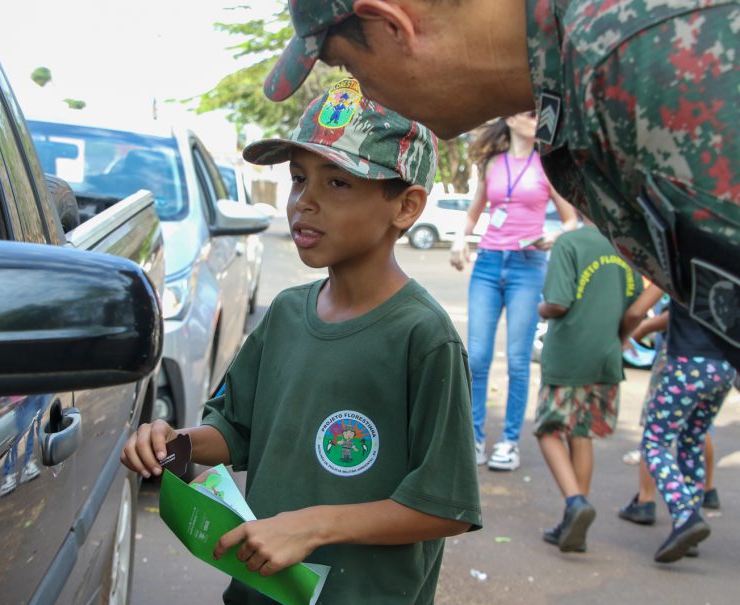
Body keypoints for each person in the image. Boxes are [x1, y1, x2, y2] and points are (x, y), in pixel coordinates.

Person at [121, 78, 482, 605]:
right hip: (260, 596)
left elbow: (445, 505)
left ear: (405, 207)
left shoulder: (423, 338)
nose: (303, 203)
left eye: (337, 183)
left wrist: (311, 527)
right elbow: (238, 430)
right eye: (297, 179)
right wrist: (176, 444)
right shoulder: (287, 313)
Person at [262, 0, 740, 367]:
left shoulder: (636, 55)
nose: (362, 93)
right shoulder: (579, 76)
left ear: (393, 26)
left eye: (352, 70)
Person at [451, 114, 577, 470]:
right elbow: (474, 214)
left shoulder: (546, 164)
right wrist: (461, 238)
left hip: (528, 263)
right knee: (476, 357)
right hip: (489, 263)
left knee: (519, 361)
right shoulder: (493, 163)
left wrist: (555, 236)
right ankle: (473, 439)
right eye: (529, 115)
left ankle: (509, 442)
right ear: (510, 119)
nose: (536, 120)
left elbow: (570, 220)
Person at [532, 219, 638, 552]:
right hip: (606, 355)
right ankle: (573, 522)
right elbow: (633, 308)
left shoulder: (570, 243)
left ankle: (575, 502)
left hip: (569, 356)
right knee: (582, 432)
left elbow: (558, 302)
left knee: (548, 430)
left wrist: (540, 308)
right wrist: (618, 339)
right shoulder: (625, 246)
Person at [618, 287, 734, 563]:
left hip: (687, 363)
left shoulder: (683, 260)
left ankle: (685, 515)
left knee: (655, 442)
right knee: (692, 440)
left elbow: (637, 310)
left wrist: (622, 337)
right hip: (725, 366)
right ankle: (688, 530)